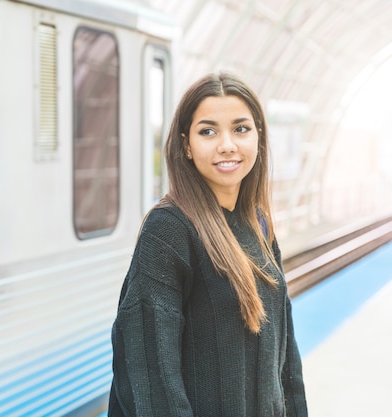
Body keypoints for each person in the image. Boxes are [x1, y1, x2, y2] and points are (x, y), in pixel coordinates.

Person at [107, 72, 308, 416]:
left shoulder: (258, 224)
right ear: (186, 144)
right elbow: (153, 377)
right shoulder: (169, 231)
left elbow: (285, 361)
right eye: (208, 131)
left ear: (259, 138)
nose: (227, 144)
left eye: (241, 129)